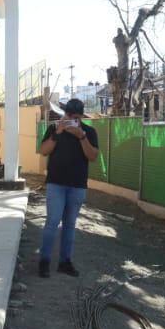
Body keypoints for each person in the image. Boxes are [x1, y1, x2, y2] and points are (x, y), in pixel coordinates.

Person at [37, 98, 100, 278]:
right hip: (56, 184)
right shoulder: (54, 128)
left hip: (77, 186)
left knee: (70, 225)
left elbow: (93, 155)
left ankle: (65, 262)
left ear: (81, 116)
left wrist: (81, 136)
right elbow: (44, 150)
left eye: (77, 118)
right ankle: (44, 261)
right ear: (65, 114)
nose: (73, 120)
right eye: (70, 117)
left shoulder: (89, 132)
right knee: (52, 222)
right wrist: (58, 132)